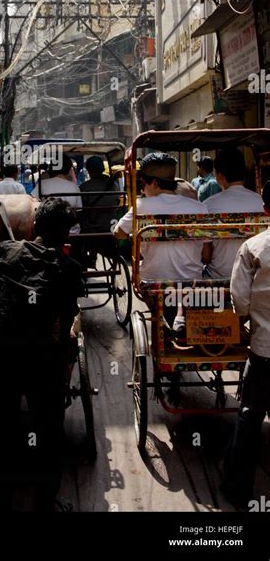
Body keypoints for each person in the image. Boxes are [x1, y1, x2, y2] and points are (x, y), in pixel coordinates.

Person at [0, 197, 82, 512]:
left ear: (35, 227)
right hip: (42, 361)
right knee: (47, 433)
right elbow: (67, 317)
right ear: (65, 235)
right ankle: (45, 503)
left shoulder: (12, 251)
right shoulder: (69, 269)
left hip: (1, 357)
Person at [223, 181, 270, 509]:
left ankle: (238, 490)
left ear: (265, 210)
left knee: (250, 416)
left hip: (265, 350)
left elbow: (239, 299)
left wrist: (246, 319)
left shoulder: (254, 247)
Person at [114, 153, 205, 283]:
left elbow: (118, 233)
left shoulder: (141, 207)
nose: (142, 191)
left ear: (154, 183)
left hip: (152, 282)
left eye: (143, 185)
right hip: (192, 281)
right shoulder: (199, 208)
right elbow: (206, 254)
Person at [202, 148, 263, 278]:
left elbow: (206, 256)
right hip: (255, 275)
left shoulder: (208, 205)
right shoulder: (261, 202)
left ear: (219, 176)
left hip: (219, 276)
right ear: (244, 172)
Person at [80, 156, 120, 234]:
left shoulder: (84, 187)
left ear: (88, 170)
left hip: (91, 230)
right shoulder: (113, 184)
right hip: (111, 227)